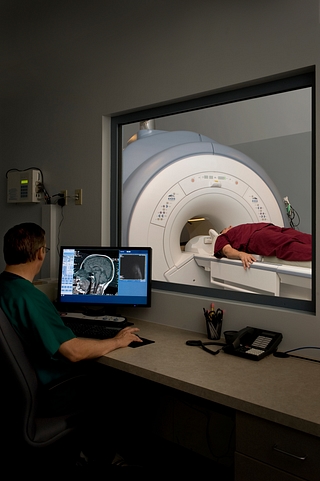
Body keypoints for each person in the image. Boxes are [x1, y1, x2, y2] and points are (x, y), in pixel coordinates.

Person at [0, 222, 143, 472]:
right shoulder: (30, 297)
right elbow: (73, 352)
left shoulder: (5, 288)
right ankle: (107, 458)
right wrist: (117, 341)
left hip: (14, 394)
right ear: (40, 253)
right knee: (117, 384)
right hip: (49, 392)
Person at [212, 222, 312, 270]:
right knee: (287, 245)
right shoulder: (222, 237)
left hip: (271, 228)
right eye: (224, 229)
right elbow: (226, 251)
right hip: (257, 237)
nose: (228, 228)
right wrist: (241, 254)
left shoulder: (241, 228)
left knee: (304, 237)